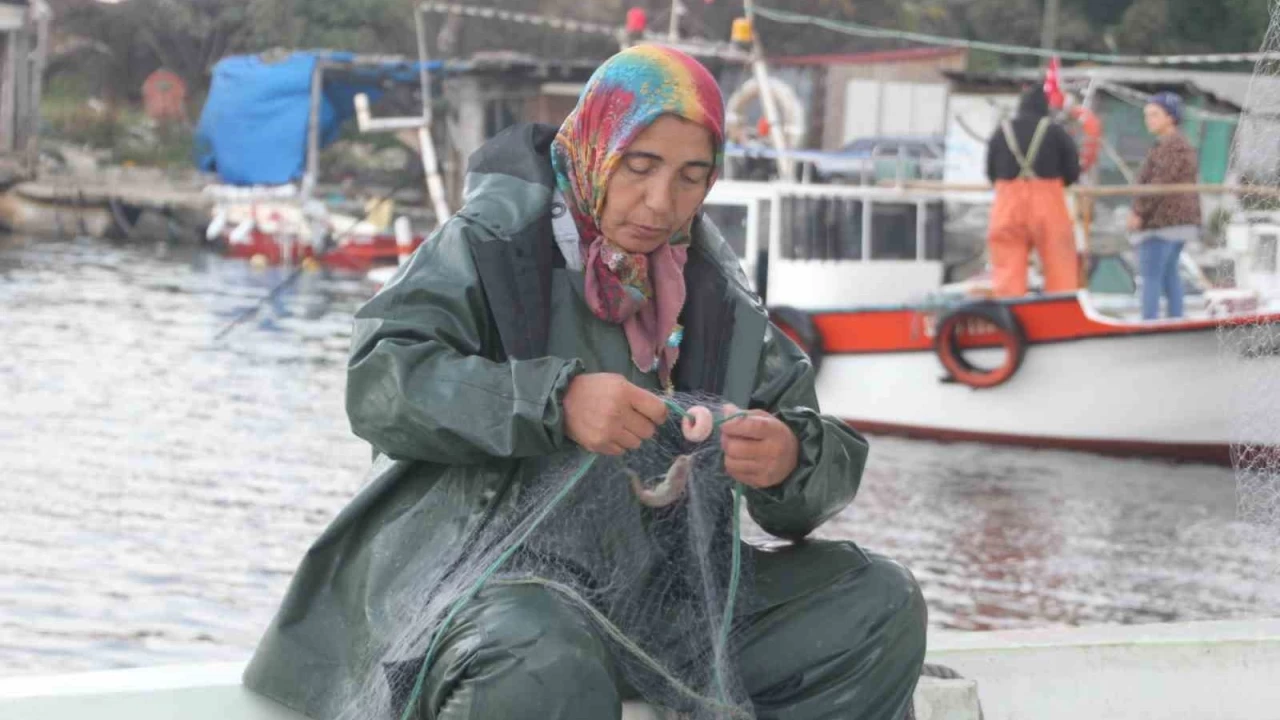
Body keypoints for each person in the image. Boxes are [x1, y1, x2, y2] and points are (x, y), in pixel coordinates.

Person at [242, 45, 926, 720]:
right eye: (641, 165)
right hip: (485, 587)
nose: (661, 202)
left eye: (692, 175)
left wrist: (788, 460)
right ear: (597, 145)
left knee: (876, 604)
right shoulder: (491, 245)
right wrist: (554, 401)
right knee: (539, 660)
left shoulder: (715, 293)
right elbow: (380, 380)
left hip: (669, 605)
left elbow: (819, 463)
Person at [985, 85, 1082, 297]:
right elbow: (1073, 172)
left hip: (1007, 202)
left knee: (1007, 265)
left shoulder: (1001, 131)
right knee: (1059, 262)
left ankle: (1009, 315)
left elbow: (990, 172)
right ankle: (1060, 310)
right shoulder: (1056, 132)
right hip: (1048, 202)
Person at [1127, 91, 1201, 320]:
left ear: (1171, 117)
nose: (1149, 119)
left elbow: (1159, 184)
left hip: (1163, 223)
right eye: (1147, 115)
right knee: (1169, 275)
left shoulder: (1173, 146)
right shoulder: (1170, 145)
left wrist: (1138, 212)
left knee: (1150, 276)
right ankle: (1176, 320)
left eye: (1155, 114)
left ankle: (1148, 323)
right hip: (1179, 223)